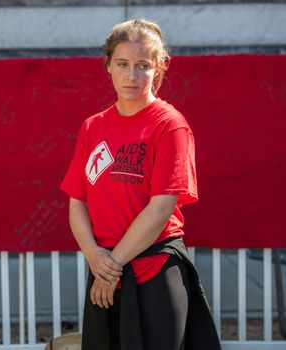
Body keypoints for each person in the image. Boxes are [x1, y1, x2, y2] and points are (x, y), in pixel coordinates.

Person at [60, 19, 221, 350]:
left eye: (143, 66)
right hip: (104, 269)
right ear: (108, 66)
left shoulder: (169, 126)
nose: (131, 76)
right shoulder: (93, 127)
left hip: (153, 269)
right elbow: (78, 201)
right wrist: (95, 258)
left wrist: (112, 265)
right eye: (122, 64)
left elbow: (161, 207)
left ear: (160, 67)